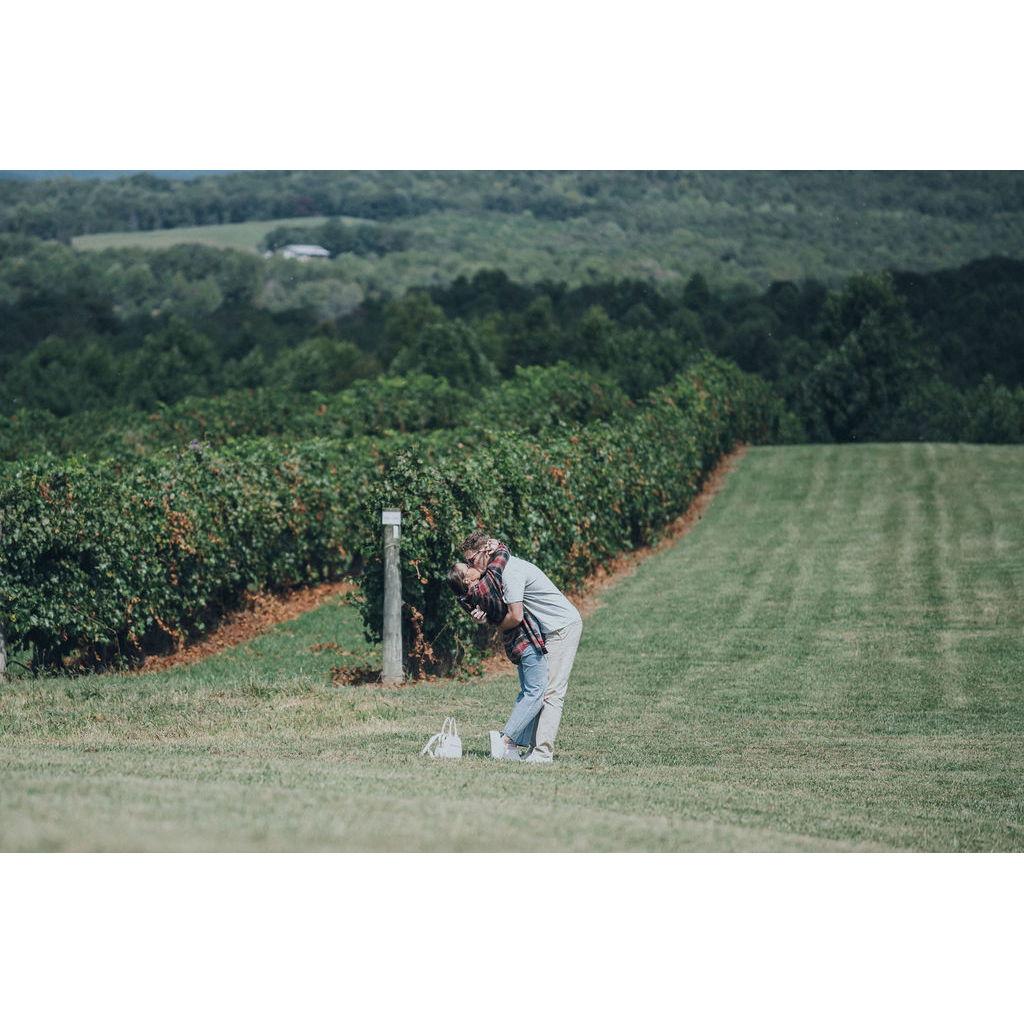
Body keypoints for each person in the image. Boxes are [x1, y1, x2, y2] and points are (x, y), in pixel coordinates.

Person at [460, 530, 583, 764]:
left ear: (486, 551)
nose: (469, 566)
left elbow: (515, 617)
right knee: (541, 690)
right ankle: (530, 749)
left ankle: (542, 752)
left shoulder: (510, 573)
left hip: (562, 627)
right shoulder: (498, 570)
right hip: (549, 629)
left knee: (551, 692)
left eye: (471, 560)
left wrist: (494, 625)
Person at [447, 543, 548, 762]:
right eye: (467, 565)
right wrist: (496, 545)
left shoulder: (468, 598)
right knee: (536, 692)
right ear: (467, 580)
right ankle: (505, 740)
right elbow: (501, 560)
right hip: (526, 640)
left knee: (528, 692)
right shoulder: (485, 586)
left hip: (515, 644)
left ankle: (511, 749)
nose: (471, 564)